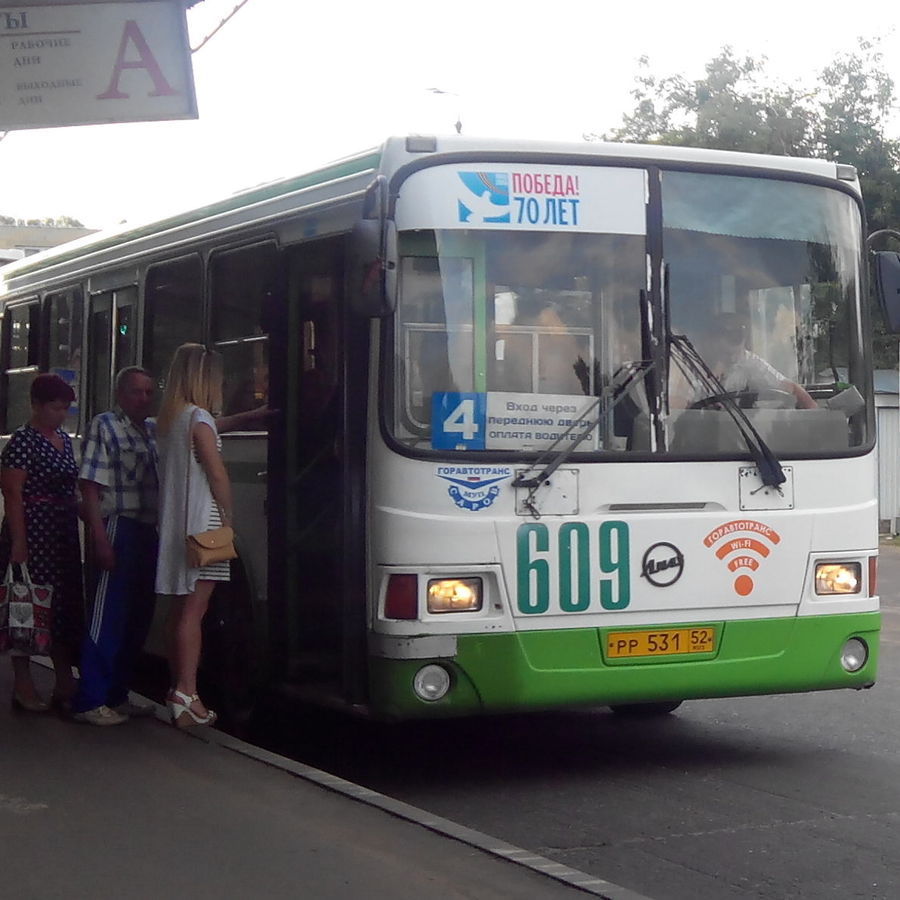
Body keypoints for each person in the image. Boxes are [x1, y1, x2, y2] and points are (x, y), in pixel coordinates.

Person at [71, 366, 159, 726]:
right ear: (121, 393)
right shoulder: (104, 426)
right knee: (107, 617)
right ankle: (89, 700)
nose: (144, 399)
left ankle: (117, 694)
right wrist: (99, 537)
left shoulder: (152, 430)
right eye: (137, 392)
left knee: (137, 618)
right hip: (117, 526)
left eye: (149, 392)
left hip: (146, 529)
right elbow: (90, 486)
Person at [155, 344, 233, 729]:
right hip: (205, 526)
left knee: (179, 611)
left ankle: (176, 687)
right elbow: (215, 472)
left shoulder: (172, 418)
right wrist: (229, 515)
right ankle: (188, 694)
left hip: (177, 524)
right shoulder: (200, 418)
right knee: (195, 613)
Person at [0, 373, 82, 712]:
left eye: (65, 409)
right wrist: (19, 542)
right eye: (55, 408)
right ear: (36, 405)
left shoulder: (63, 438)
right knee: (27, 608)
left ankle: (64, 681)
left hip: (61, 532)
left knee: (61, 606)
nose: (60, 415)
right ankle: (23, 684)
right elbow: (13, 494)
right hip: (33, 529)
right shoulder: (22, 442)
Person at [687, 314, 817, 410]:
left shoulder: (747, 361)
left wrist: (815, 420)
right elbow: (677, 403)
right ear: (712, 340)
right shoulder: (691, 361)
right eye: (728, 335)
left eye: (738, 335)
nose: (734, 342)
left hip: (738, 434)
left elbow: (792, 389)